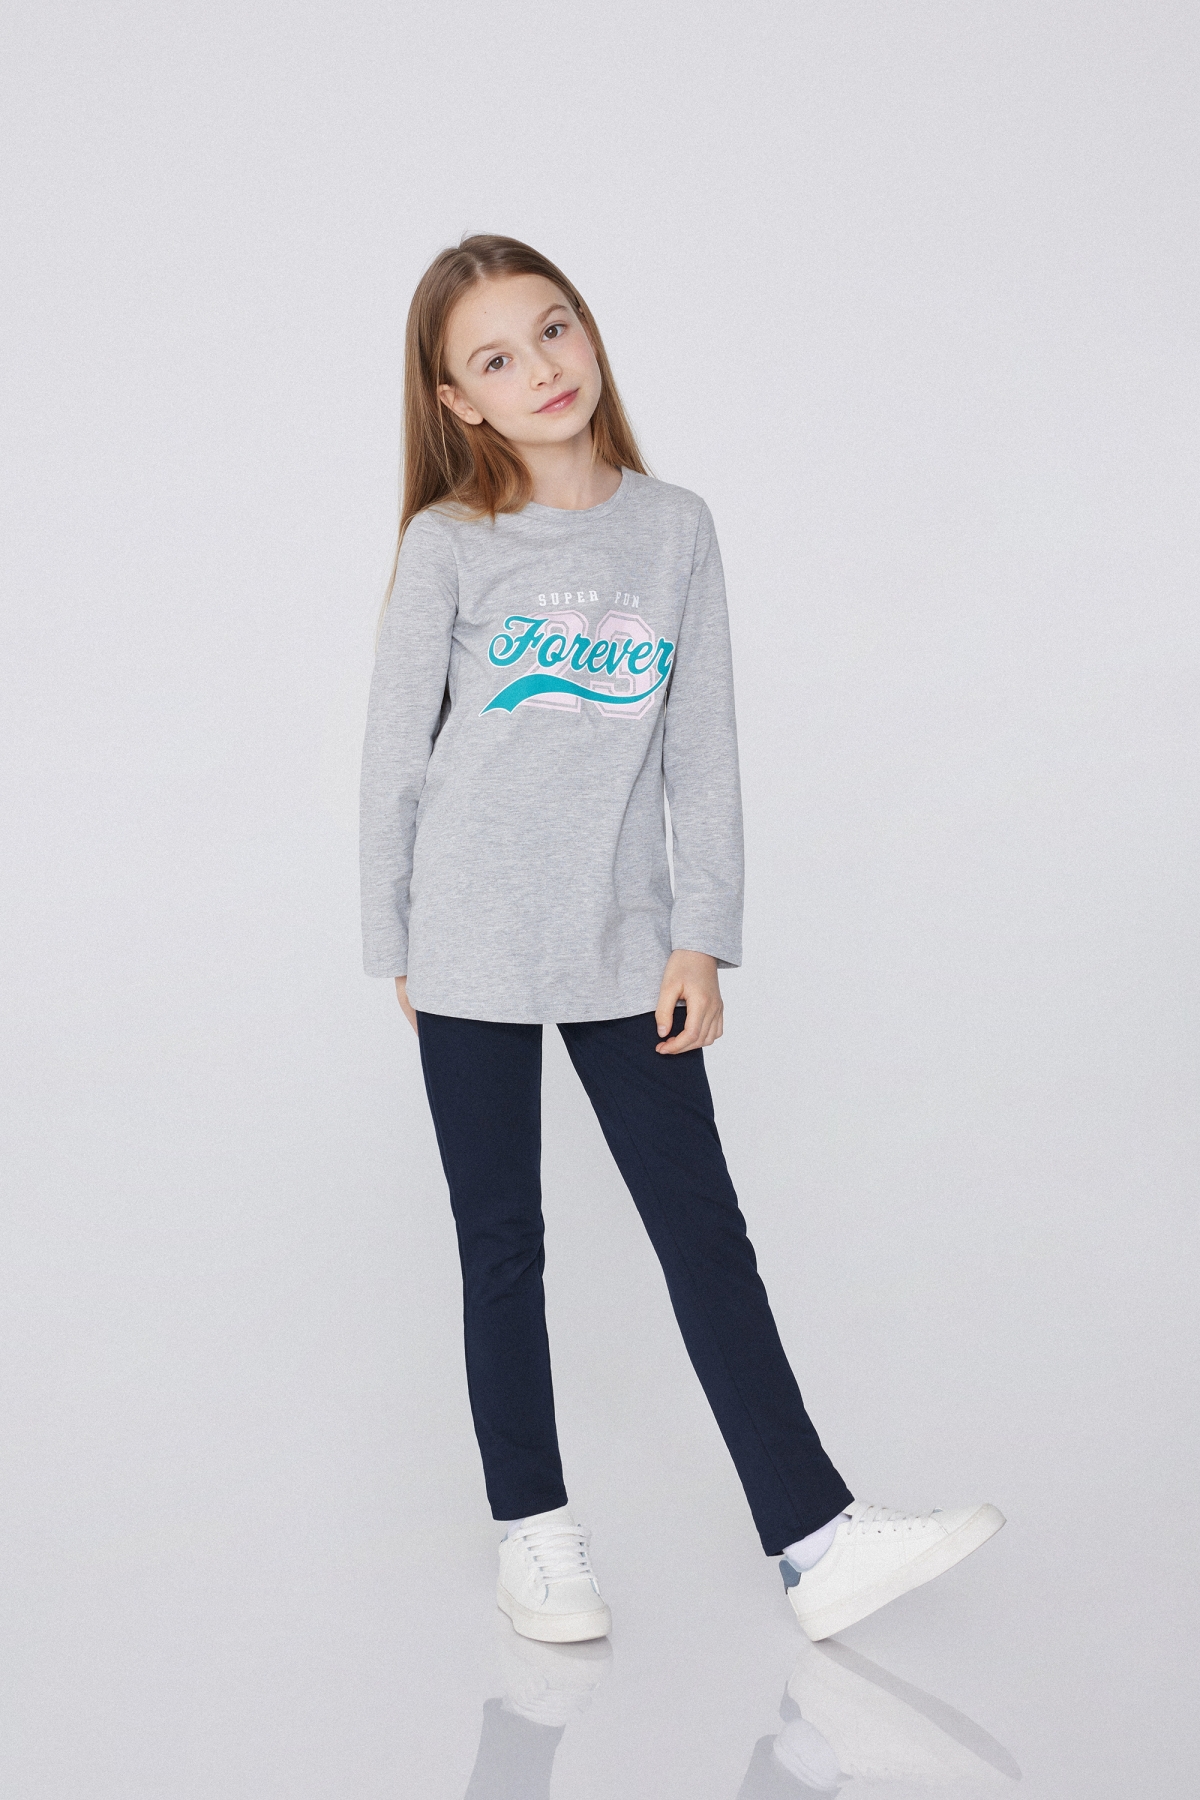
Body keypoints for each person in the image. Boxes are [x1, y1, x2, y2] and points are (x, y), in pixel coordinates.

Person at [359, 234, 1003, 1647]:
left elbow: (700, 750)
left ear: (589, 332)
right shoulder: (450, 543)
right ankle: (535, 1536)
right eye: (495, 358)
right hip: (468, 937)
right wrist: (394, 940)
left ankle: (816, 1540)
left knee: (703, 1231)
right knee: (502, 1241)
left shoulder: (675, 528)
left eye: (554, 328)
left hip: (625, 938)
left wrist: (700, 934)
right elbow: (395, 756)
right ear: (457, 400)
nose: (541, 369)